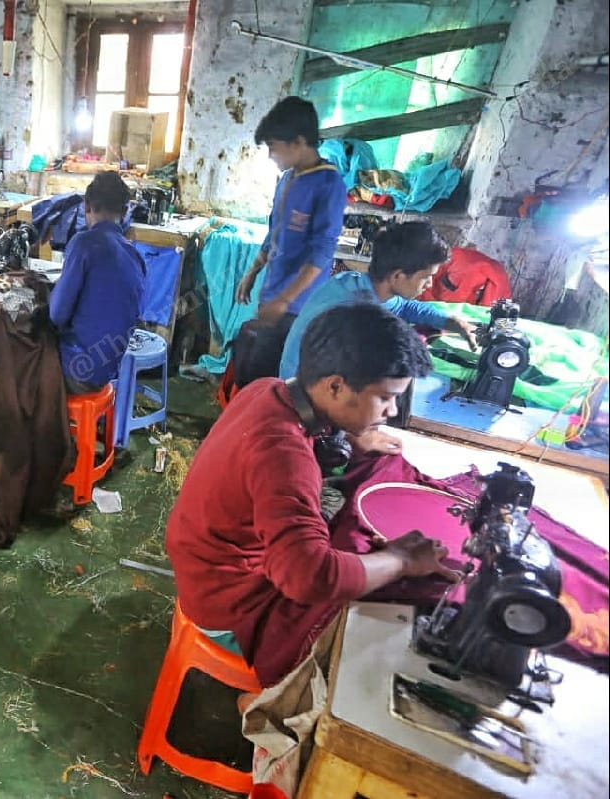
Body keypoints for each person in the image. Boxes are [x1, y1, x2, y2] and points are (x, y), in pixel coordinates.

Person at [166, 303, 459, 688]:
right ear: (335, 386)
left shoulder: (266, 390)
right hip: (228, 611)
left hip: (200, 568)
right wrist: (401, 560)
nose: (390, 411)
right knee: (381, 629)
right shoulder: (285, 456)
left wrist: (354, 432)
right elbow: (311, 578)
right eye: (385, 397)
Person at [233, 97, 347, 386]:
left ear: (297, 142)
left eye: (273, 146)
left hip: (298, 307)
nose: (271, 154)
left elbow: (322, 251)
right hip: (273, 295)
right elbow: (275, 232)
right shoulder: (287, 179)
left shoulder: (329, 184)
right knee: (249, 373)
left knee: (274, 379)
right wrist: (252, 272)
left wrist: (284, 300)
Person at [278, 221, 479, 379]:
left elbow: (407, 307)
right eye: (426, 277)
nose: (429, 284)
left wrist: (450, 322)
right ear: (398, 276)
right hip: (302, 396)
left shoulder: (365, 286)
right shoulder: (350, 311)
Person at [48, 171, 145, 394]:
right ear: (125, 210)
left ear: (86, 206)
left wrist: (53, 293)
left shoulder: (84, 243)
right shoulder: (134, 255)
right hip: (108, 370)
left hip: (78, 372)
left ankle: (38, 425)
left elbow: (57, 314)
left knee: (18, 355)